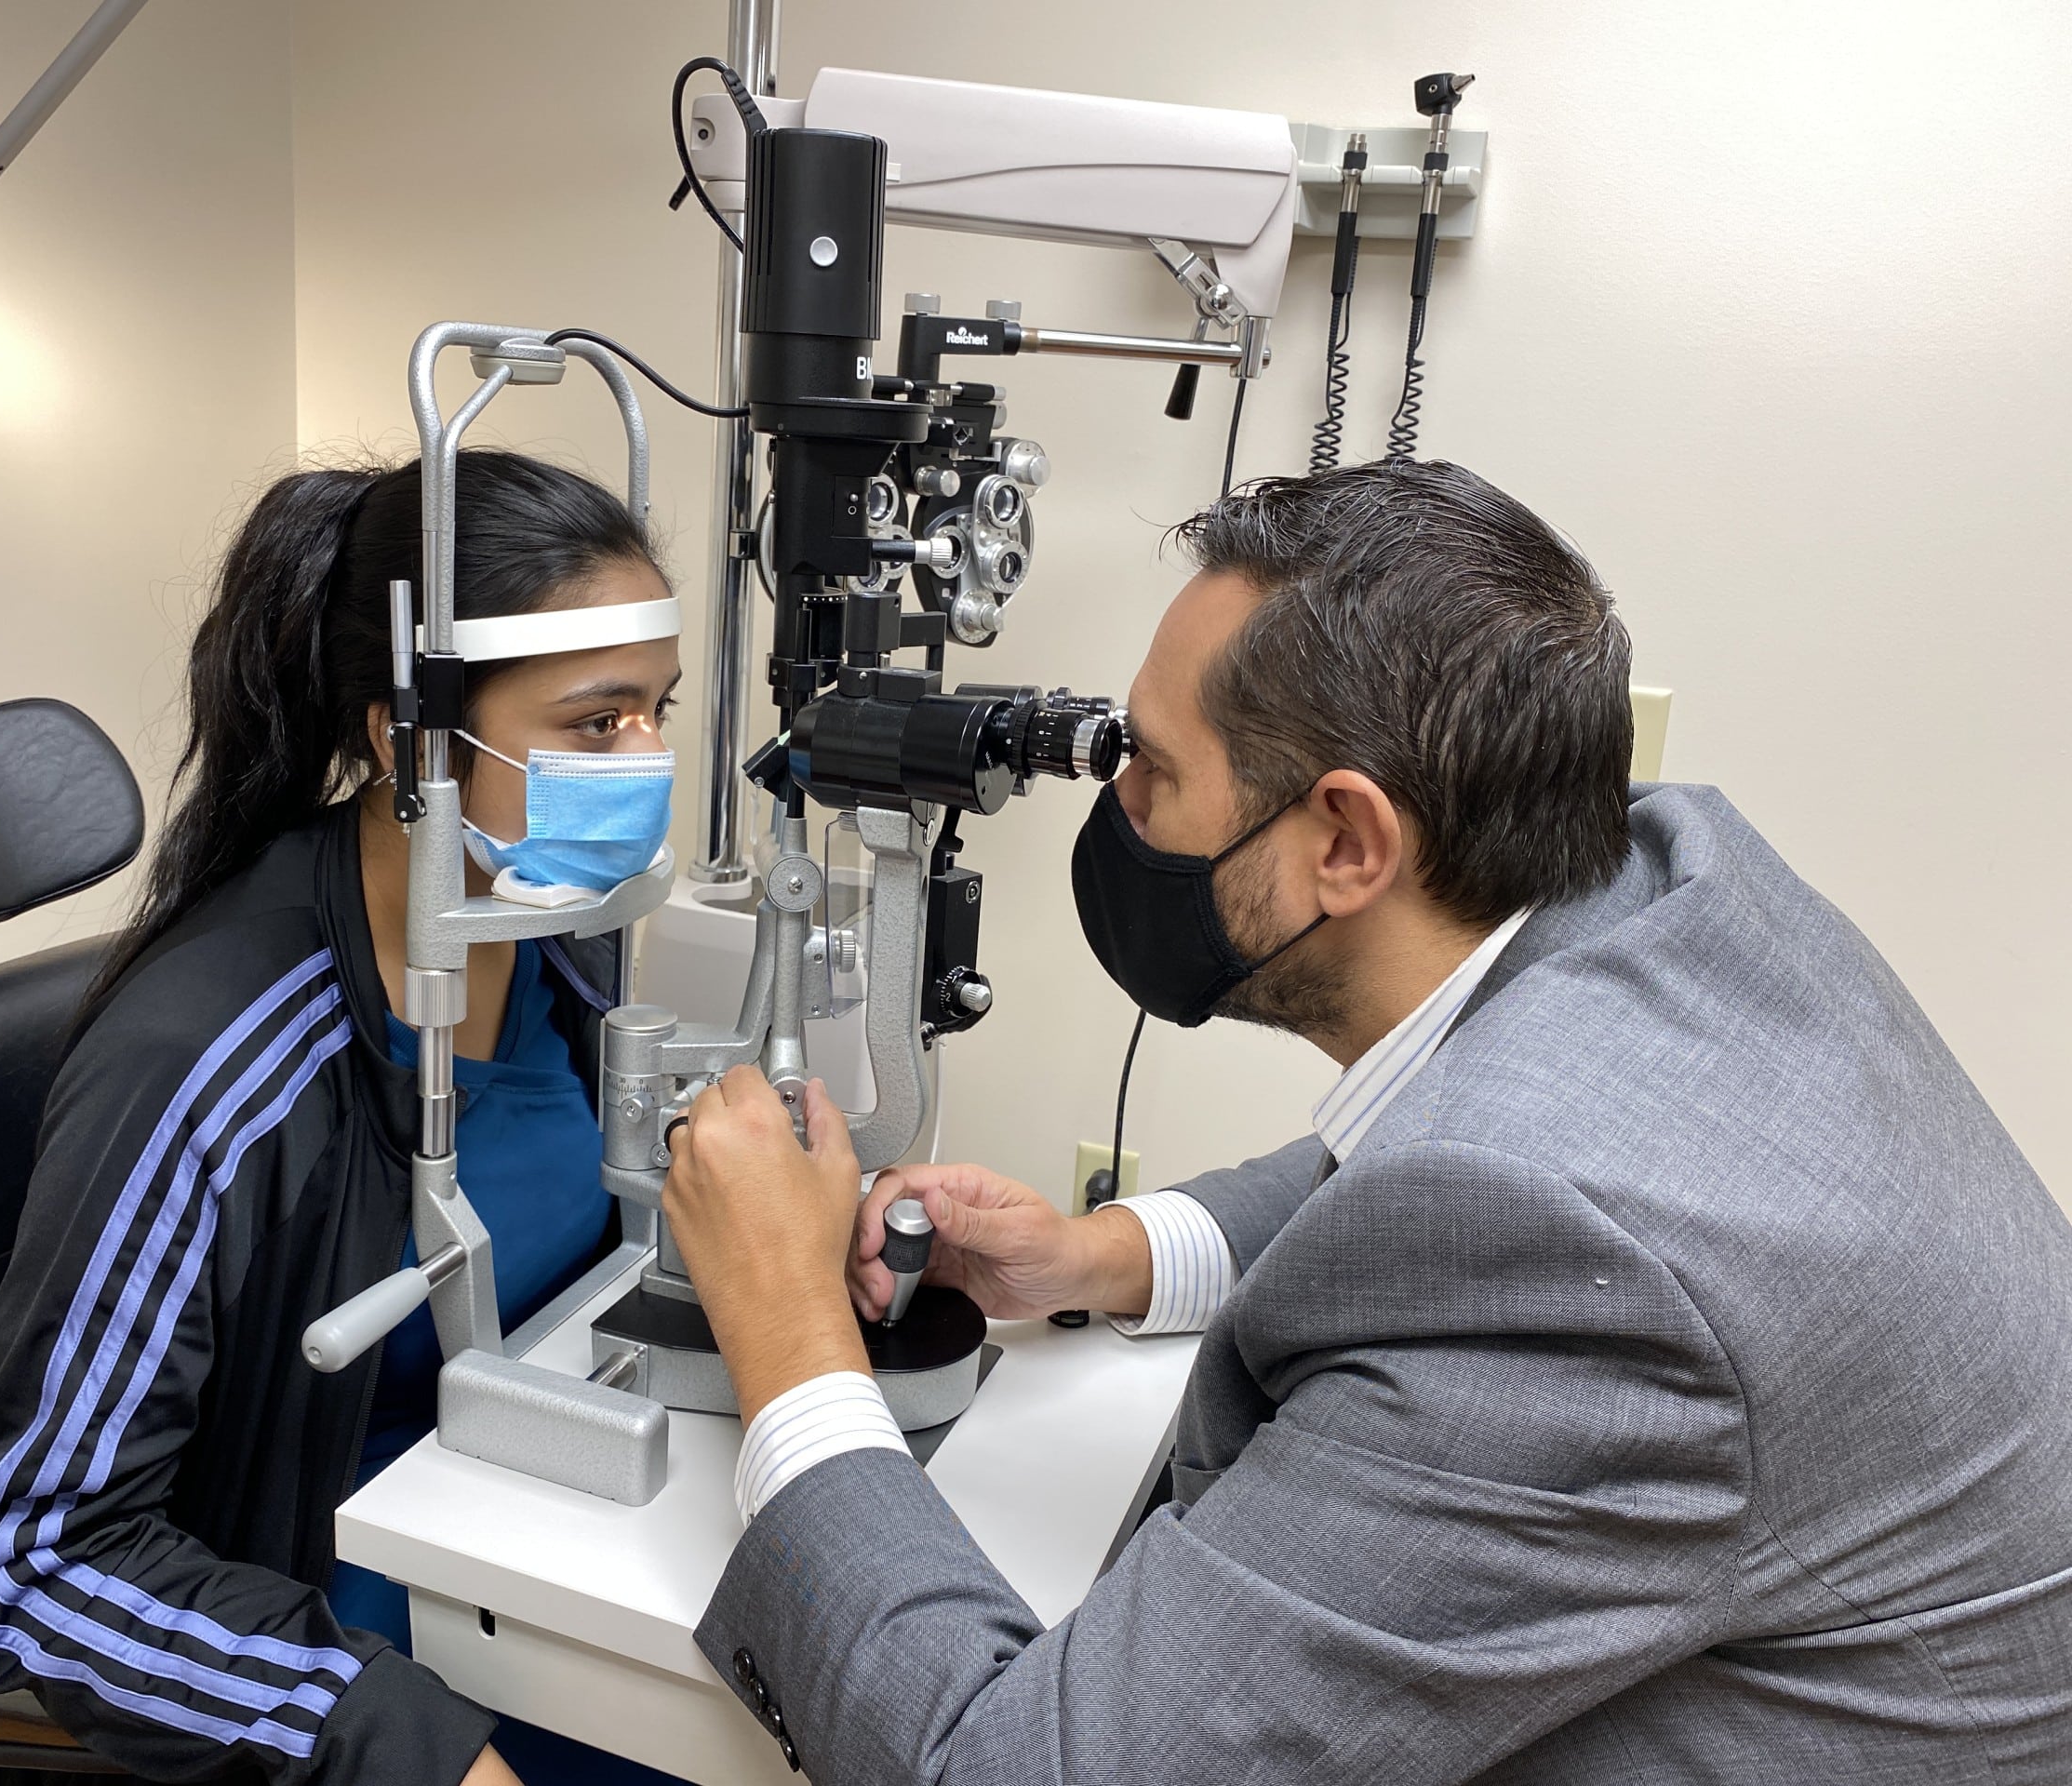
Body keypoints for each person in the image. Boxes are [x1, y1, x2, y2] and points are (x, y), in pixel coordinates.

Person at [661, 460, 2072, 1783]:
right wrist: (1106, 1256)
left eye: (1150, 768)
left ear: (1347, 842)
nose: (1122, 804)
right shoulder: (1661, 877)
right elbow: (1458, 1166)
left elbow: (1011, 1770)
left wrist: (788, 1330)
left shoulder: (1584, 1278)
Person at [0, 449, 688, 1786]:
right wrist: (396, 1746)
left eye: (658, 712)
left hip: (559, 1569)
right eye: (595, 721)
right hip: (352, 1682)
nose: (648, 763)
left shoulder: (555, 932)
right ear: (411, 740)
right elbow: (28, 1559)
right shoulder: (210, 1056)